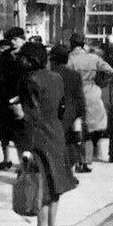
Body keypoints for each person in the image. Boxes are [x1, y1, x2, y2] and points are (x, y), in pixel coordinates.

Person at [14, 42, 78, 226]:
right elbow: (62, 107)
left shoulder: (29, 80)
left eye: (23, 57)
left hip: (38, 135)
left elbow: (31, 115)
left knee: (39, 180)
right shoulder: (56, 78)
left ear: (30, 59)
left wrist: (26, 148)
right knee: (55, 181)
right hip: (55, 131)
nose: (20, 60)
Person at [67, 34, 113, 164]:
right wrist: (102, 83)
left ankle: (78, 158)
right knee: (90, 128)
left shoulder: (69, 59)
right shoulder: (93, 58)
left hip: (74, 94)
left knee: (75, 127)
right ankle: (89, 157)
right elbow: (110, 71)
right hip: (92, 92)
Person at [49, 45, 88, 174]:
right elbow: (79, 97)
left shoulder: (50, 75)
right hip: (71, 113)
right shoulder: (74, 75)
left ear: (52, 59)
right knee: (70, 142)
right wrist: (81, 114)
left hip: (53, 112)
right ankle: (69, 172)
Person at [0, 28, 27, 169]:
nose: (13, 43)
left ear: (22, 38)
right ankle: (6, 159)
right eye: (11, 40)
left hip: (22, 97)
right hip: (5, 96)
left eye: (15, 39)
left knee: (21, 133)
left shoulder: (28, 54)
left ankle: (22, 163)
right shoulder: (5, 56)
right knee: (4, 132)